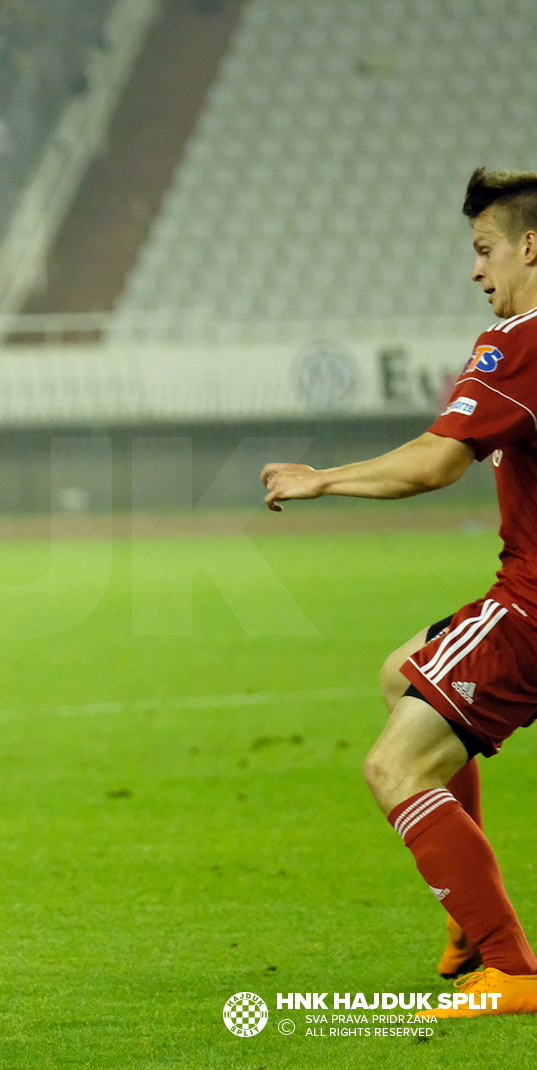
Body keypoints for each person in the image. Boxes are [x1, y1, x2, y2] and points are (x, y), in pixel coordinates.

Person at [262, 167, 537, 1017]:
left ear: (532, 247)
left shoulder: (520, 340)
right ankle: (469, 918)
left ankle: (511, 969)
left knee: (394, 765)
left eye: (485, 249)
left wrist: (321, 480)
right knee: (404, 670)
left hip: (533, 607)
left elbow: (434, 462)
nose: (476, 270)